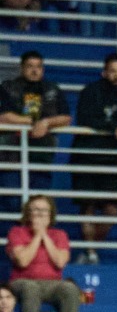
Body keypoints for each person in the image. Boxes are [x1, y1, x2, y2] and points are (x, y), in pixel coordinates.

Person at [70, 54, 117, 264]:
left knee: (111, 210)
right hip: (86, 156)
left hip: (111, 160)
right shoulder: (91, 91)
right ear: (104, 72)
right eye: (113, 71)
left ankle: (91, 249)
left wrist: (111, 127)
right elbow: (85, 118)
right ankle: (90, 253)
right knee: (87, 207)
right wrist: (112, 128)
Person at [5, 197, 82, 312]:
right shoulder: (17, 232)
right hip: (22, 281)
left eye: (44, 210)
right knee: (30, 287)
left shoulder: (59, 235)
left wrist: (44, 235)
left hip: (52, 284)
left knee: (70, 289)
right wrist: (37, 236)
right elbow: (23, 261)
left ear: (50, 214)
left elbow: (60, 262)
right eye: (35, 209)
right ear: (28, 213)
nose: (39, 214)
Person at [0, 52, 72, 207]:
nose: (34, 70)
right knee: (13, 202)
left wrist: (46, 122)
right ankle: (18, 232)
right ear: (21, 68)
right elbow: (4, 117)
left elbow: (66, 118)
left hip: (41, 156)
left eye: (38, 67)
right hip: (11, 156)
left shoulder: (52, 89)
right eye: (30, 66)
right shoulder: (7, 87)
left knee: (38, 203)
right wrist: (33, 122)